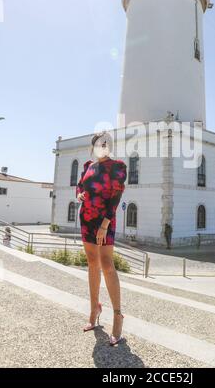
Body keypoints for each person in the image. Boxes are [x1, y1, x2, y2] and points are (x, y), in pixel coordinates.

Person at [76, 131, 127, 345]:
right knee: (92, 263)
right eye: (99, 142)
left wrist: (105, 225)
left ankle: (117, 317)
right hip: (86, 219)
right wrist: (78, 194)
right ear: (94, 146)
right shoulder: (88, 165)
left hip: (105, 220)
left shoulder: (118, 166)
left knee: (107, 264)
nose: (103, 145)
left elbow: (116, 197)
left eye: (106, 142)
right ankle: (94, 309)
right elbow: (80, 186)